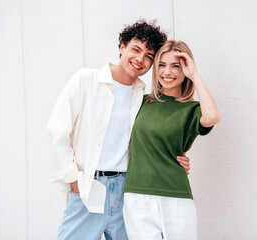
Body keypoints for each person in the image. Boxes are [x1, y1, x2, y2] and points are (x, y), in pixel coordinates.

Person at [46, 21, 191, 240]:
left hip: (128, 191)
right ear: (122, 46)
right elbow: (57, 130)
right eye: (136, 49)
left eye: (149, 56)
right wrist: (73, 179)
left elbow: (152, 136)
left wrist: (175, 157)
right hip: (89, 189)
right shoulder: (87, 80)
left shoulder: (142, 97)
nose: (140, 59)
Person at [123, 40, 221, 240]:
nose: (167, 72)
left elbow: (211, 117)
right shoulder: (140, 102)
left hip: (175, 196)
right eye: (162, 65)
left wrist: (194, 74)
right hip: (137, 195)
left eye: (176, 66)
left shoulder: (191, 110)